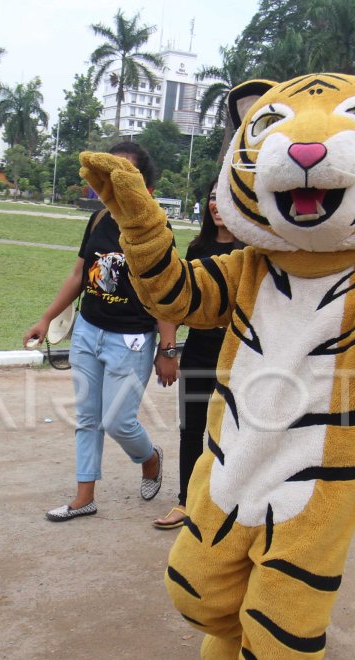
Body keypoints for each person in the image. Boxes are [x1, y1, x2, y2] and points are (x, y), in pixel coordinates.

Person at [23, 141, 177, 522]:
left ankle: (150, 458)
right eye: (110, 169)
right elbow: (79, 274)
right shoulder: (98, 219)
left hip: (132, 339)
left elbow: (166, 292)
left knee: (118, 421)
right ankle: (84, 496)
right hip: (89, 331)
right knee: (88, 417)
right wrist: (46, 318)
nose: (115, 177)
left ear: (142, 182)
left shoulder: (155, 226)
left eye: (125, 171)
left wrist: (168, 350)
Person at [152, 188, 243, 530]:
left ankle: (227, 503)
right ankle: (186, 502)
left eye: (227, 198)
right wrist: (169, 350)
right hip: (200, 351)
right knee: (191, 429)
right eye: (213, 197)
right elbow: (181, 304)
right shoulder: (197, 249)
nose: (218, 205)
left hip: (238, 357)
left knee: (232, 432)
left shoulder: (251, 253)